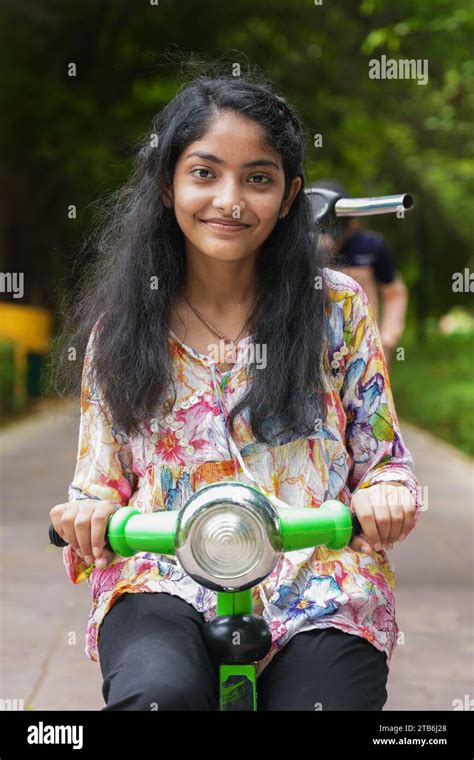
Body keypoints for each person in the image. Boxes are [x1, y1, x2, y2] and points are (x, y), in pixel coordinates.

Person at [50, 73, 422, 711]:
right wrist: (85, 515)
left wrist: (385, 495)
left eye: (258, 177)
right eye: (204, 172)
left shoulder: (337, 307)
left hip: (320, 581)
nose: (230, 200)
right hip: (161, 579)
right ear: (167, 185)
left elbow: (382, 461)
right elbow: (98, 482)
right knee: (157, 696)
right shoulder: (123, 325)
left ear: (288, 196)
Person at [308, 181, 409, 367]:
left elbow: (394, 293)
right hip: (313, 351)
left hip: (365, 348)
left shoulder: (371, 246)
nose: (328, 239)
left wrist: (387, 340)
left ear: (352, 226)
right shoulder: (295, 249)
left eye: (334, 231)